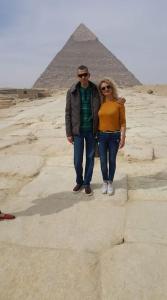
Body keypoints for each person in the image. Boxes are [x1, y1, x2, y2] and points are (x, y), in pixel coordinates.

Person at [65, 66, 125, 195]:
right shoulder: (71, 91)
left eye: (85, 74)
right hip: (78, 131)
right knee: (77, 160)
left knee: (90, 158)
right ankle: (79, 181)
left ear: (89, 74)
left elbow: (109, 97)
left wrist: (121, 100)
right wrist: (68, 133)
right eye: (80, 75)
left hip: (92, 131)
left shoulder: (95, 90)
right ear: (77, 76)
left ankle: (87, 183)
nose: (83, 77)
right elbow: (68, 113)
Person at [98, 78, 126, 195]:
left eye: (108, 87)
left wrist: (123, 137)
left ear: (112, 87)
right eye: (103, 88)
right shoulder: (99, 103)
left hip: (114, 136)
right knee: (103, 162)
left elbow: (123, 122)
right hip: (102, 136)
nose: (106, 89)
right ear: (101, 91)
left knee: (112, 161)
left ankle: (110, 182)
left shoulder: (119, 103)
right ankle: (105, 181)